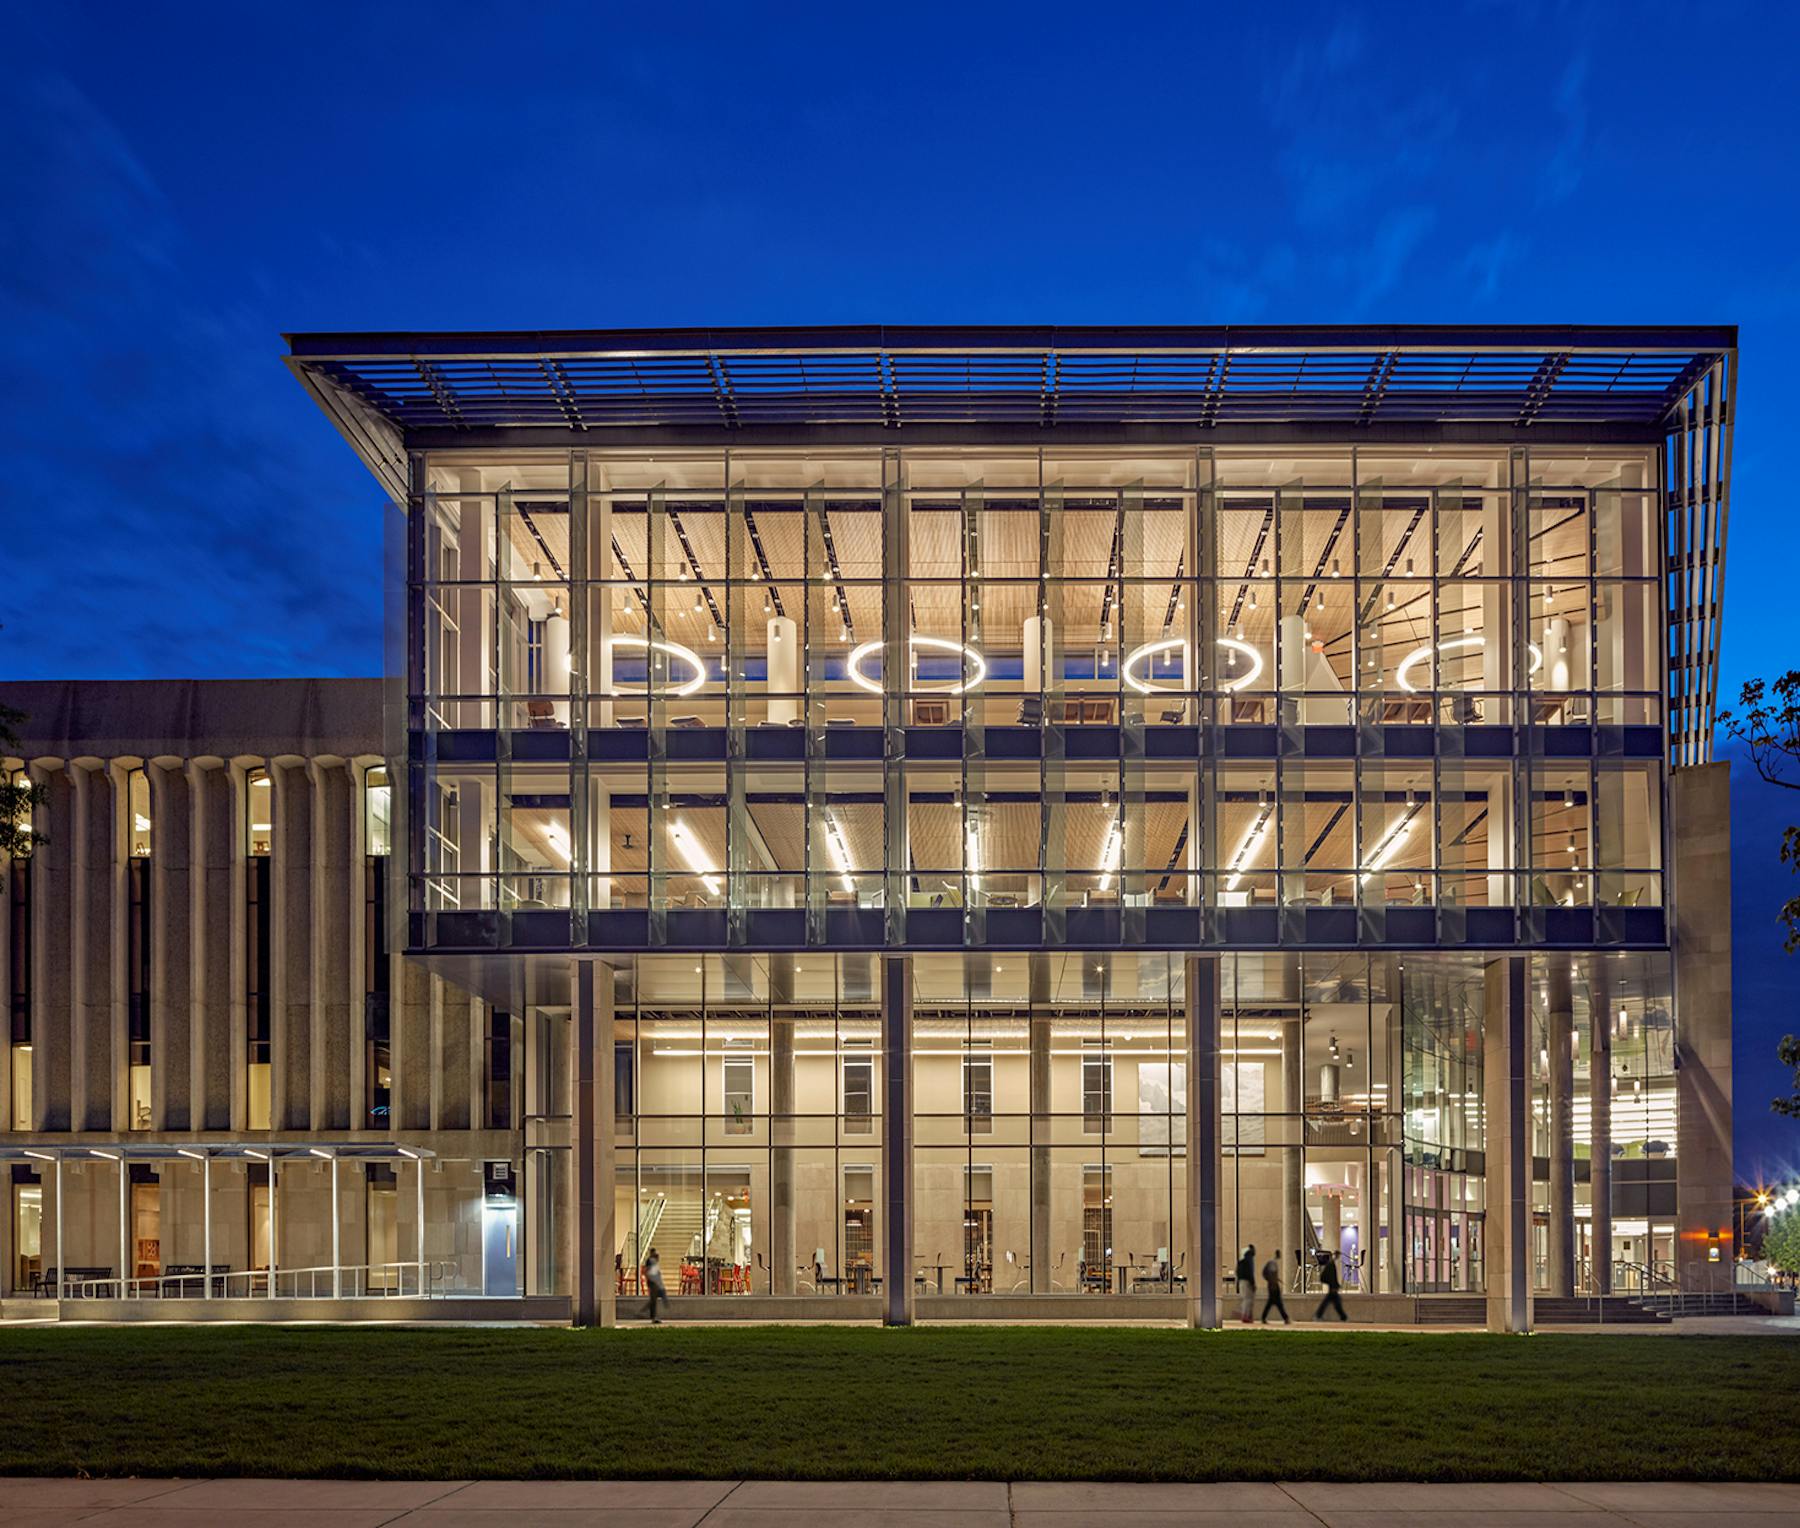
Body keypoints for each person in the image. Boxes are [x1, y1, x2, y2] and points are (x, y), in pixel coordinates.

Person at [1315, 1249, 1348, 1321]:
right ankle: (1343, 1317)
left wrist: (1336, 1285)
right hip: (1332, 1287)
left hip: (1332, 1287)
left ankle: (1343, 1316)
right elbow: (1332, 1277)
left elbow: (1333, 1277)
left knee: (1334, 1302)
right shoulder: (1331, 1264)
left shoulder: (1331, 1263)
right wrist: (1334, 1286)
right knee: (1334, 1302)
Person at [1260, 1247, 1290, 1325]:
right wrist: (1274, 1284)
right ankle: (1285, 1318)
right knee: (1277, 1303)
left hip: (1272, 1284)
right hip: (1273, 1285)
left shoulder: (1272, 1262)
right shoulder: (1273, 1263)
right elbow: (1272, 1274)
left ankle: (1285, 1318)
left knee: (1273, 1302)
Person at [643, 1247, 668, 1324]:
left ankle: (651, 1314)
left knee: (653, 1299)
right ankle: (652, 1316)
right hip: (652, 1282)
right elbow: (647, 1271)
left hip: (654, 1282)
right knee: (653, 1300)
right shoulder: (650, 1261)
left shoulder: (653, 1262)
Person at [1236, 1243, 1257, 1324]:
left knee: (1246, 1299)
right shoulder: (1249, 1258)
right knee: (1248, 1299)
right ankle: (1246, 1315)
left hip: (1242, 1281)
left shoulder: (1242, 1260)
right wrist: (1253, 1282)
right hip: (1247, 1281)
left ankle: (1246, 1315)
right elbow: (1250, 1272)